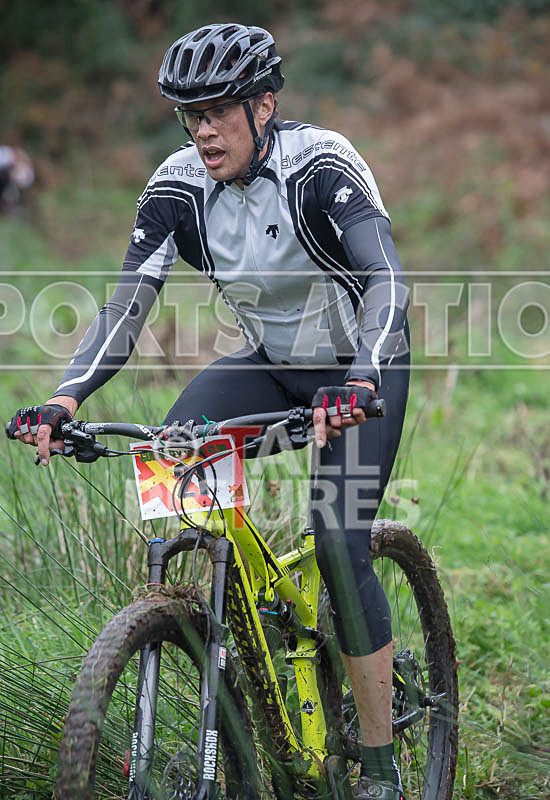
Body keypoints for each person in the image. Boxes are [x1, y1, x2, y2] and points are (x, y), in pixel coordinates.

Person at [7, 24, 410, 800]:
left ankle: (379, 763)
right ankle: (235, 647)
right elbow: (128, 304)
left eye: (220, 111)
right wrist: (65, 397)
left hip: (363, 367)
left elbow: (385, 279)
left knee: (337, 539)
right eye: (190, 114)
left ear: (265, 106)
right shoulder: (177, 186)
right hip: (270, 365)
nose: (203, 130)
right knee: (173, 454)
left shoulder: (322, 164)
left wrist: (362, 378)